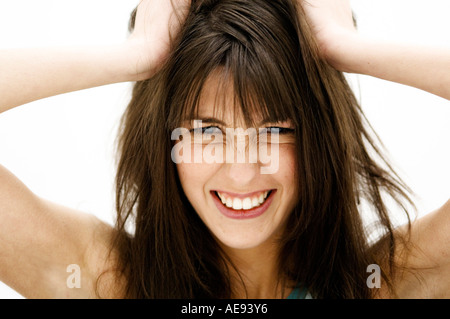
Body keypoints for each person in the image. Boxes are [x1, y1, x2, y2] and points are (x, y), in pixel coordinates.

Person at [0, 0, 448, 299]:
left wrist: (345, 48)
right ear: (165, 140)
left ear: (319, 139)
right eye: (206, 131)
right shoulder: (106, 280)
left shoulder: (379, 286)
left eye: (275, 130)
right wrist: (138, 56)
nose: (240, 172)